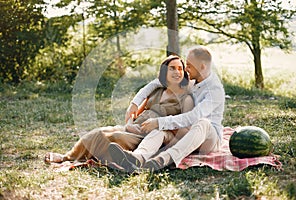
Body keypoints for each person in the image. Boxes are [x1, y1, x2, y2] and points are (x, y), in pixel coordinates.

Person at [44, 55, 194, 167]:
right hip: (134, 129)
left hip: (150, 137)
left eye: (180, 68)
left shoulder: (185, 98)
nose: (177, 72)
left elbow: (184, 129)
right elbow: (138, 112)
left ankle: (109, 161)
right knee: (99, 132)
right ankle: (67, 157)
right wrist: (130, 124)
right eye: (172, 68)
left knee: (115, 137)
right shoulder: (157, 91)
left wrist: (153, 127)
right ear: (164, 72)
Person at [109, 46, 225, 172]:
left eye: (189, 66)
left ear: (202, 67)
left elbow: (193, 117)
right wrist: (135, 104)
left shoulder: (214, 91)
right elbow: (156, 83)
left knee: (203, 122)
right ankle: (138, 157)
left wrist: (160, 121)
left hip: (208, 140)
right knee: (160, 129)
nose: (186, 69)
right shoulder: (193, 81)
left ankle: (162, 160)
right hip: (184, 134)